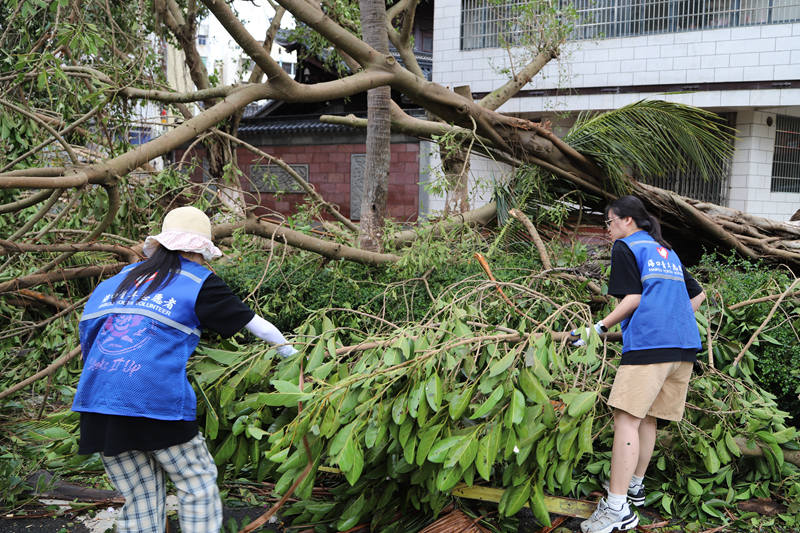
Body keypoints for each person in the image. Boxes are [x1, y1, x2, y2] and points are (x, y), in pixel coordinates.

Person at [72, 206, 297, 533]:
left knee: (142, 495)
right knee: (197, 481)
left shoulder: (115, 282)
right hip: (154, 403)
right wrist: (295, 356)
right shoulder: (196, 280)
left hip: (96, 405)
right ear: (198, 249)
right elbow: (259, 327)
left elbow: (89, 341)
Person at [575, 196, 705, 533]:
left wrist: (597, 328)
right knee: (646, 418)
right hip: (684, 347)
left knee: (626, 420)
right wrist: (671, 317)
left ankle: (617, 508)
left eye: (609, 222)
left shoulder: (626, 247)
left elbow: (632, 299)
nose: (608, 229)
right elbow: (699, 294)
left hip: (652, 345)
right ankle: (634, 486)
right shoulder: (665, 251)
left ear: (627, 221)